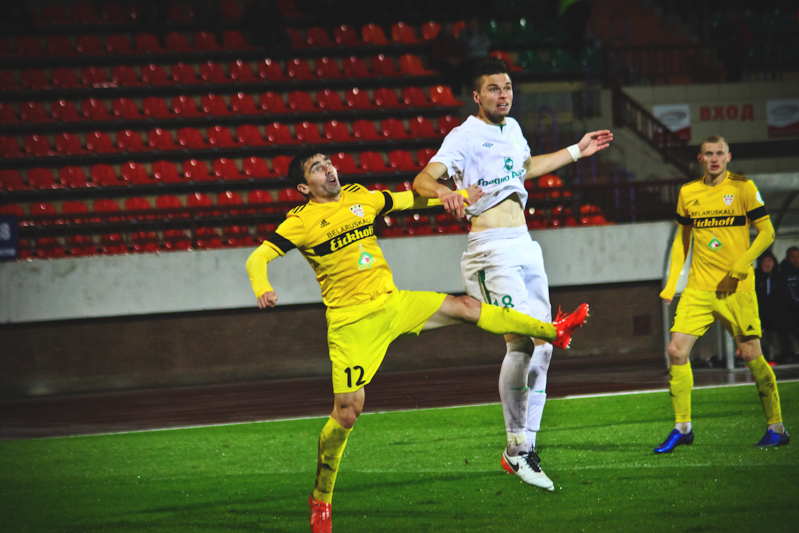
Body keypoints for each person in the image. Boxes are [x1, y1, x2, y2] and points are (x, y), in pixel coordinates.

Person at [245, 150, 590, 533]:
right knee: (347, 412)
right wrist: (262, 288)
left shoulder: (361, 197)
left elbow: (408, 199)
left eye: (328, 162)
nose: (328, 169)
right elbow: (257, 259)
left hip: (394, 303)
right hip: (351, 322)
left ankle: (553, 331)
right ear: (302, 187)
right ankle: (321, 499)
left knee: (465, 306)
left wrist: (454, 196)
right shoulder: (300, 222)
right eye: (317, 168)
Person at [411, 57, 612, 490]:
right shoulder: (464, 135)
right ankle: (516, 449)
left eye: (507, 88)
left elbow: (524, 168)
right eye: (493, 88)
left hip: (524, 244)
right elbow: (422, 180)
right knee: (521, 340)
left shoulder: (514, 128)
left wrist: (577, 151)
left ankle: (526, 447)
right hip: (491, 249)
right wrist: (446, 192)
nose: (503, 95)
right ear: (476, 95)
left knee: (545, 345)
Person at [656, 135, 788, 453]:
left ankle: (777, 428)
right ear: (700, 159)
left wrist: (743, 263)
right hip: (698, 288)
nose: (714, 158)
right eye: (708, 154)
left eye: (719, 153)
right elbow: (681, 241)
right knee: (676, 351)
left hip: (736, 290)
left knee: (752, 355)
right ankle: (683, 427)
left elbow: (767, 232)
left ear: (729, 156)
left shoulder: (743, 187)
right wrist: (672, 282)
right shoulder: (688, 192)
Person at [754, 250, 780, 361]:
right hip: (758, 312)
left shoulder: (778, 276)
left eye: (769, 260)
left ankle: (779, 355)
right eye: (764, 261)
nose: (767, 264)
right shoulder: (754, 276)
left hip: (776, 313)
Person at [776, 246, 799, 361]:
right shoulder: (783, 273)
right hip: (790, 309)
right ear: (787, 258)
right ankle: (787, 354)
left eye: (798, 256)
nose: (795, 260)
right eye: (792, 257)